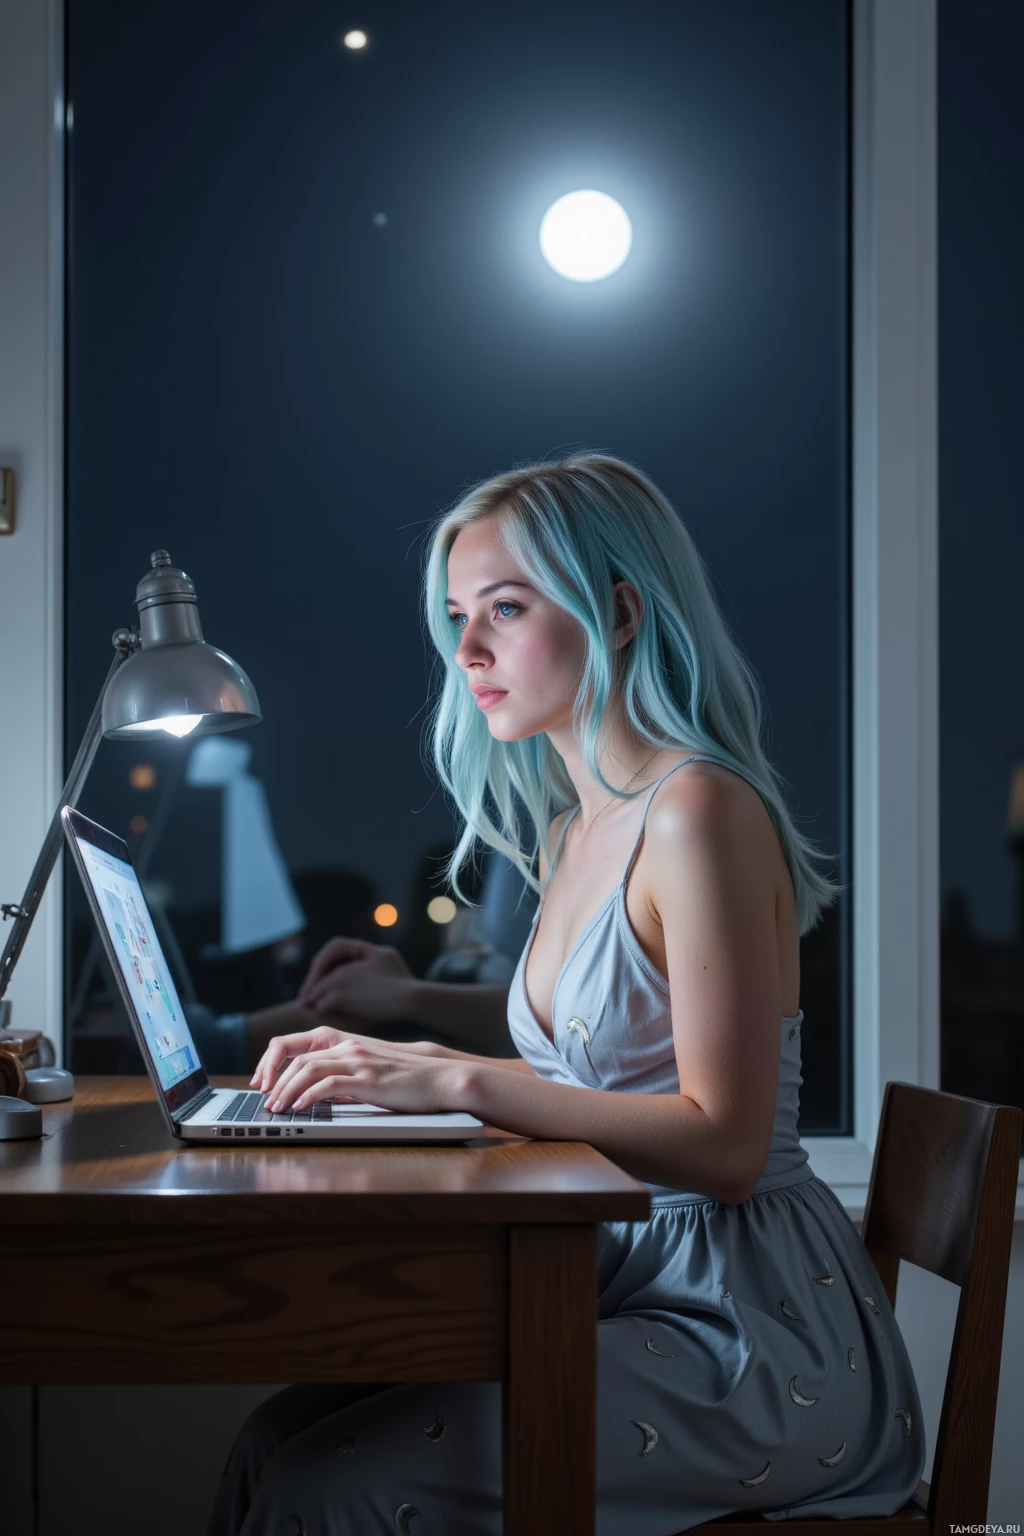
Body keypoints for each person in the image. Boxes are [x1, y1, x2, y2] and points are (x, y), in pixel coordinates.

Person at [207, 453, 925, 1536]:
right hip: (627, 1271)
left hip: (743, 1329)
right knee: (275, 1440)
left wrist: (447, 1077)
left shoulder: (699, 813)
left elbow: (725, 1147)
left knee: (329, 1485)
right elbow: (593, 1044)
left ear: (620, 611)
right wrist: (405, 1027)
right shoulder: (578, 822)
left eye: (505, 607)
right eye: (458, 616)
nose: (469, 651)